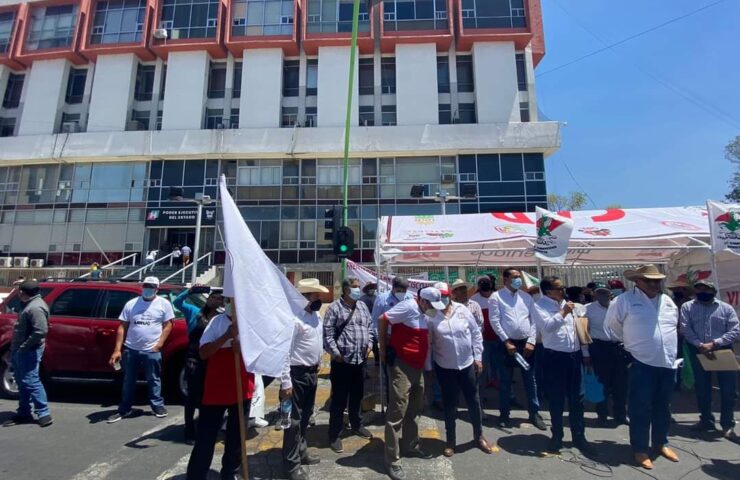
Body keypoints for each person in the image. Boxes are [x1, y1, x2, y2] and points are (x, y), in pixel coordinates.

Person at [606, 265, 680, 470]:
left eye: (657, 281)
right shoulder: (623, 301)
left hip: (667, 362)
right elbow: (613, 326)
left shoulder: (667, 301)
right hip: (642, 363)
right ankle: (640, 448)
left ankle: (661, 442)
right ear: (637, 281)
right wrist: (633, 345)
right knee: (640, 408)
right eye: (650, 280)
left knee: (663, 407)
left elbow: (673, 325)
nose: (655, 284)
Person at [185, 298, 255, 479]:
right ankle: (196, 475)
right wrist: (226, 336)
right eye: (228, 300)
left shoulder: (252, 323)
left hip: (242, 390)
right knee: (205, 439)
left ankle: (230, 474)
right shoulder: (217, 322)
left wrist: (244, 349)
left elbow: (263, 352)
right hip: (216, 391)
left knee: (236, 440)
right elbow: (203, 352)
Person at [379, 287, 442, 480]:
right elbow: (383, 319)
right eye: (431, 305)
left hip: (418, 368)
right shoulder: (407, 307)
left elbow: (422, 341)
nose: (434, 309)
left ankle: (410, 446)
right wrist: (383, 349)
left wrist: (427, 367)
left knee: (414, 409)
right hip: (403, 367)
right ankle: (392, 460)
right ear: (422, 301)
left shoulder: (424, 313)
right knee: (397, 411)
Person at [427, 284, 492, 457]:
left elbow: (476, 333)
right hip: (445, 367)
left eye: (444, 295)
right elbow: (429, 344)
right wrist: (429, 367)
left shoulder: (462, 310)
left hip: (467, 364)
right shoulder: (431, 315)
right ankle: (450, 441)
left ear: (450, 295)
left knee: (473, 401)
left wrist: (478, 357)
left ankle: (479, 436)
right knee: (450, 404)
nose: (442, 299)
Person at [532, 276, 594, 456]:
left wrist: (585, 353)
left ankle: (579, 436)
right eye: (559, 288)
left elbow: (578, 329)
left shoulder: (567, 304)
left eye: (563, 288)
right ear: (548, 290)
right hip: (555, 358)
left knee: (577, 399)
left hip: (574, 356)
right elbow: (547, 327)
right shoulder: (539, 306)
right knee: (557, 399)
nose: (563, 291)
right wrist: (563, 312)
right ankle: (557, 435)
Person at [107, 276, 175, 423]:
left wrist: (160, 343)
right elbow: (122, 326)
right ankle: (125, 408)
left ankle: (157, 405)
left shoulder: (164, 304)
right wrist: (117, 349)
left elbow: (169, 324)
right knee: (128, 380)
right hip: (131, 349)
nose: (148, 289)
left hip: (152, 349)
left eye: (151, 287)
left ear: (157, 289)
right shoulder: (131, 304)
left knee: (154, 379)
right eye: (146, 286)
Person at [680, 280, 740, 439]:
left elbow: (736, 330)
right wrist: (700, 345)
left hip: (723, 350)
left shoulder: (725, 308)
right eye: (699, 290)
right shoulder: (688, 307)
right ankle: (706, 420)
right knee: (702, 388)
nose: (701, 292)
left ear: (713, 292)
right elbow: (685, 328)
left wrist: (715, 343)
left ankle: (727, 424)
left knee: (728, 391)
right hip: (699, 351)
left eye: (705, 290)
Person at [281, 278, 326, 480]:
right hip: (296, 374)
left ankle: (302, 451)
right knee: (293, 422)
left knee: (306, 418)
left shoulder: (316, 316)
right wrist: (285, 382)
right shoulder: (294, 319)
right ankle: (291, 465)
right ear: (305, 297)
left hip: (312, 373)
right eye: (316, 295)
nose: (319, 299)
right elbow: (285, 353)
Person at [489, 268, 545, 430]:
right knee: (505, 381)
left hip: (526, 345)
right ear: (505, 279)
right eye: (514, 277)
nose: (518, 280)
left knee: (530, 379)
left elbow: (534, 320)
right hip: (507, 346)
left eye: (519, 277)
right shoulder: (496, 297)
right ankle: (504, 414)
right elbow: (495, 321)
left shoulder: (526, 297)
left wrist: (532, 341)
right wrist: (506, 341)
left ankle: (534, 413)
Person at [324, 277, 375, 453]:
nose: (357, 290)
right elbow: (328, 334)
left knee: (357, 395)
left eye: (358, 287)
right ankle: (334, 434)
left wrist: (368, 345)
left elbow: (369, 327)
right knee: (339, 399)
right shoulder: (334, 308)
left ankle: (356, 424)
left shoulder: (361, 306)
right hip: (342, 363)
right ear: (345, 290)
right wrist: (337, 355)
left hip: (359, 361)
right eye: (354, 287)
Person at [173, 286, 225, 443]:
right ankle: (189, 430)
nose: (216, 301)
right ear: (208, 299)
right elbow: (177, 302)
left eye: (220, 299)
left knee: (207, 394)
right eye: (214, 298)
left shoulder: (219, 317)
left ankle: (204, 427)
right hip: (194, 356)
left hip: (210, 356)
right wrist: (189, 292)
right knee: (192, 395)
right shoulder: (194, 311)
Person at [2, 280, 52, 428]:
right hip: (21, 350)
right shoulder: (29, 305)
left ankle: (43, 413)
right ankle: (24, 412)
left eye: (19, 290)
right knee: (22, 382)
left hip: (29, 351)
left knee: (31, 381)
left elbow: (41, 331)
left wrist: (24, 347)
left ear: (23, 292)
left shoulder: (35, 308)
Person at [585, 284, 628, 427]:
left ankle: (621, 414)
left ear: (610, 294)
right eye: (599, 293)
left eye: (605, 293)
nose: (602, 296)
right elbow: (584, 332)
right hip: (599, 348)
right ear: (595, 295)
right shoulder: (588, 309)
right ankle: (602, 415)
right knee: (601, 383)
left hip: (618, 347)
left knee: (620, 383)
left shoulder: (618, 307)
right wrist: (585, 353)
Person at [470, 276, 499, 389]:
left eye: (487, 282)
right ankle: (483, 385)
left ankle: (496, 380)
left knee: (497, 362)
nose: (485, 284)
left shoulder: (497, 297)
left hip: (498, 336)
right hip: (483, 338)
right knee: (484, 362)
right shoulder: (474, 299)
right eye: (482, 283)